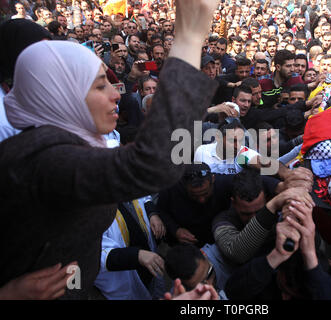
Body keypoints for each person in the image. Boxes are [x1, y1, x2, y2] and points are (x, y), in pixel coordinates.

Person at [0, 0, 221, 299]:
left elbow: (70, 256)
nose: (116, 95)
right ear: (62, 95)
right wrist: (190, 36)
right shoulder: (45, 158)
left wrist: (73, 290)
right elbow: (154, 163)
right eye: (100, 85)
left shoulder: (73, 142)